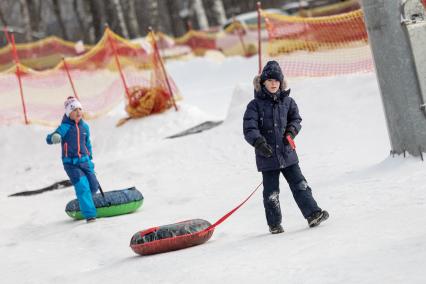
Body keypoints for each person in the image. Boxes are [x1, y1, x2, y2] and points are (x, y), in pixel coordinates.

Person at [243, 61, 329, 234]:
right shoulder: (254, 105)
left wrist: (291, 132)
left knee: (300, 184)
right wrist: (259, 143)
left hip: (287, 153)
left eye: (277, 80)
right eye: (270, 80)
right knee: (271, 192)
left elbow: (296, 120)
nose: (274, 83)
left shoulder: (288, 102)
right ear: (263, 83)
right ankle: (274, 224)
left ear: (281, 82)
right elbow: (249, 128)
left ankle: (313, 214)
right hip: (266, 156)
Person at [46, 97, 99, 223]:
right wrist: (54, 137)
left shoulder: (85, 127)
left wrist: (90, 156)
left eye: (80, 108)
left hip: (85, 161)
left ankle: (84, 201)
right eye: (74, 109)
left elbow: (87, 143)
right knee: (82, 186)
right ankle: (90, 215)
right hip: (71, 164)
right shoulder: (64, 127)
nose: (78, 111)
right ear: (68, 113)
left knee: (93, 185)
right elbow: (49, 138)